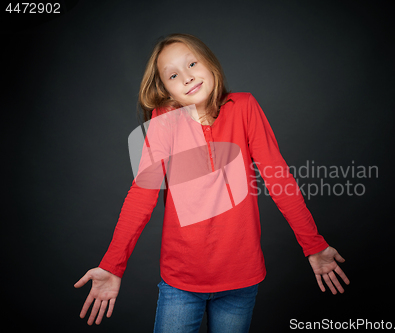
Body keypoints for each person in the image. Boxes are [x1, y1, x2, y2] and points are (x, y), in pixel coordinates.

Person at [74, 33, 350, 333]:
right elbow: (142, 194)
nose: (188, 77)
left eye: (192, 63)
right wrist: (113, 265)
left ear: (210, 63)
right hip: (181, 280)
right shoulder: (163, 120)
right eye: (174, 75)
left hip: (240, 279)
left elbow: (278, 177)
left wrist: (313, 244)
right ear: (165, 88)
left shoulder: (244, 107)